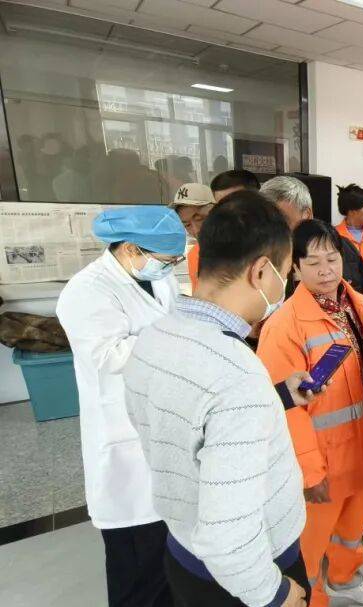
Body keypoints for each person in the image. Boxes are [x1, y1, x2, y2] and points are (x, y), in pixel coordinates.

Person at [122, 191, 313, 607]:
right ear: (261, 271)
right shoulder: (236, 375)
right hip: (247, 577)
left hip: (184, 553)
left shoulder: (155, 336)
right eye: (285, 274)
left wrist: (276, 397)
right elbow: (229, 534)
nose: (285, 286)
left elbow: (193, 421)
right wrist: (274, 593)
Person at [56, 206, 187, 607]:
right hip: (123, 438)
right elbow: (108, 355)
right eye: (167, 260)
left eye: (175, 261)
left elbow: (173, 316)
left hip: (163, 422)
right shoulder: (86, 290)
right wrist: (178, 339)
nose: (170, 268)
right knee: (136, 565)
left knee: (166, 559)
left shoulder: (158, 278)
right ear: (131, 249)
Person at [257, 220, 363, 606]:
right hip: (322, 462)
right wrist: (309, 473)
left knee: (353, 528)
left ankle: (344, 577)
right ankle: (310, 598)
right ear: (295, 269)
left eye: (332, 259)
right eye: (313, 262)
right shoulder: (284, 326)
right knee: (310, 546)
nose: (326, 270)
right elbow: (285, 411)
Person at [262, 175, 363, 303]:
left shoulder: (343, 247)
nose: (271, 228)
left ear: (306, 215)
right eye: (265, 220)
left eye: (280, 220)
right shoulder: (260, 258)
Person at [170, 182, 215, 291]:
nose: (196, 230)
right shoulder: (194, 254)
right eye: (187, 225)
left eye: (200, 219)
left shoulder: (247, 249)